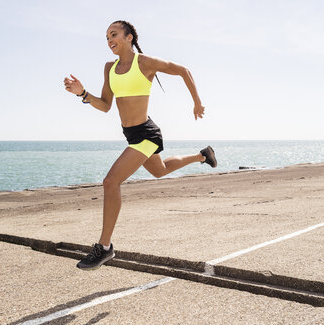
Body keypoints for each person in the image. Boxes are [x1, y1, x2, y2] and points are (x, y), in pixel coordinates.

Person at [63, 20, 217, 270]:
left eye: (114, 34)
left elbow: (183, 71)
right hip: (132, 135)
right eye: (106, 37)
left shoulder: (143, 63)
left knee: (110, 182)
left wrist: (196, 103)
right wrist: (82, 94)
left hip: (146, 134)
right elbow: (104, 105)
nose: (109, 40)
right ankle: (202, 156)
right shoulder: (109, 68)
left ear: (129, 37)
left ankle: (104, 247)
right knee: (160, 170)